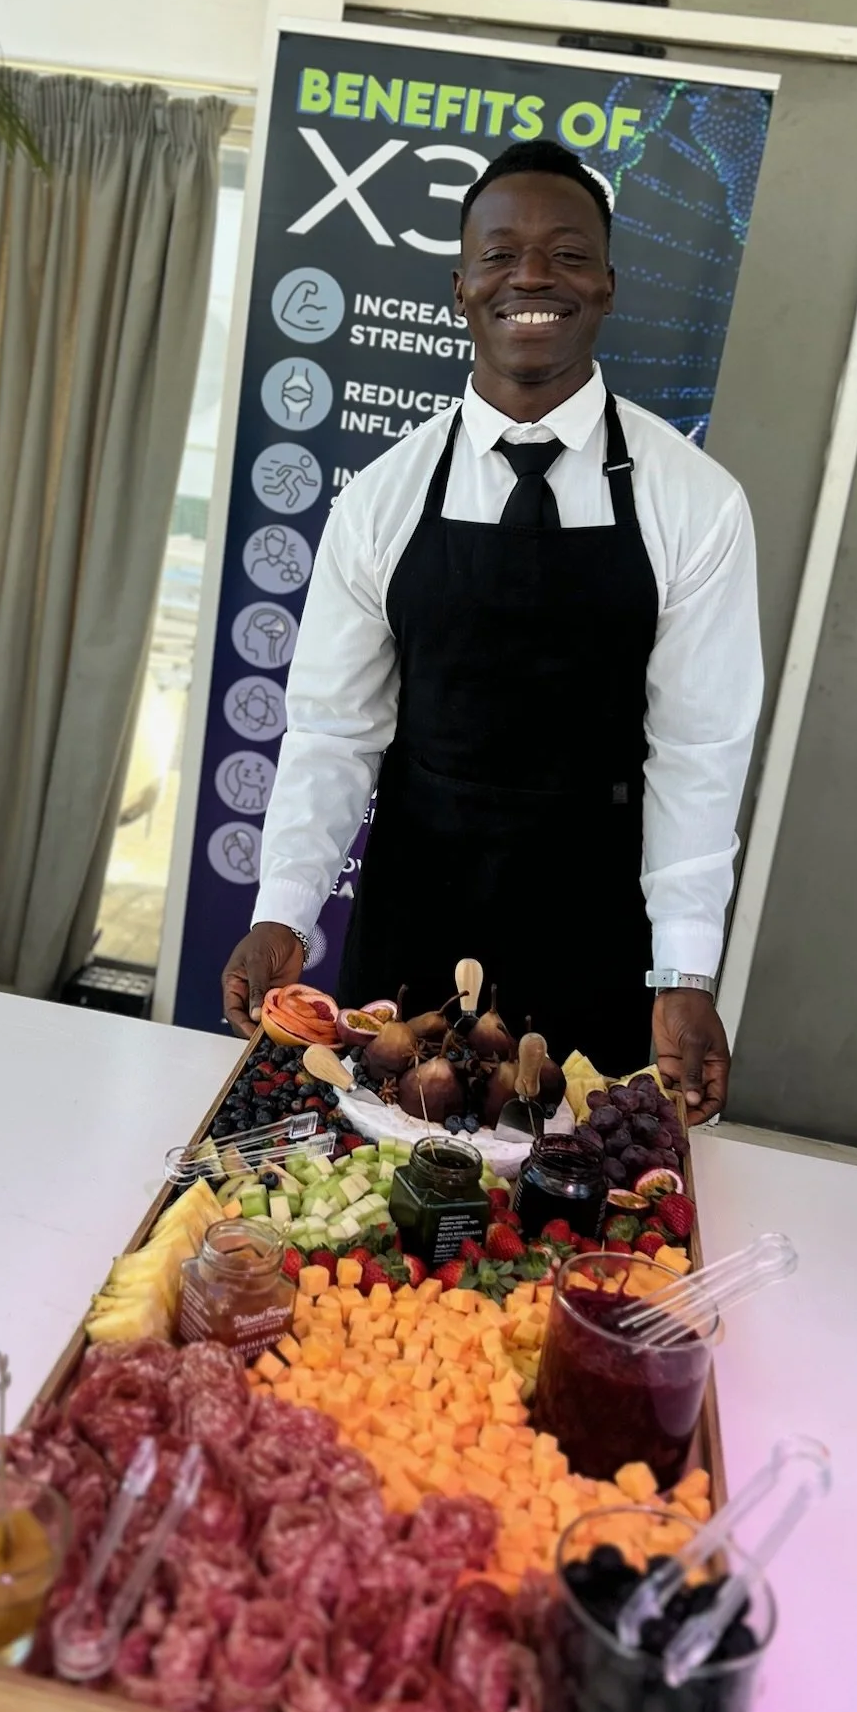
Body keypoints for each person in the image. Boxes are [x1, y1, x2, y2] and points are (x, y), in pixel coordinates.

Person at [221, 140, 761, 1121]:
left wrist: (684, 965)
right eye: (501, 252)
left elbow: (700, 748)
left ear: (605, 283)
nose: (532, 276)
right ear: (461, 285)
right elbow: (336, 728)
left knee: (567, 1183)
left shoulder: (698, 504)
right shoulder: (382, 497)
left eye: (565, 252)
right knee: (394, 1173)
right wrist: (283, 908)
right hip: (415, 899)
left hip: (596, 912)